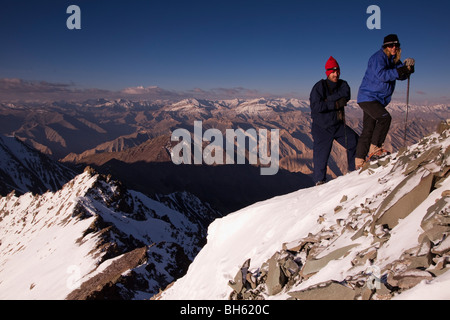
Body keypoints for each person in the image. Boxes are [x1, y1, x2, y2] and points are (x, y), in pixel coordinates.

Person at [355, 34, 415, 169]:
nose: (394, 47)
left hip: (374, 99)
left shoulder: (393, 59)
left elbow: (400, 75)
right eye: (391, 45)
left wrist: (408, 69)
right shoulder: (378, 58)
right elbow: (382, 75)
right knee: (385, 118)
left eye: (396, 45)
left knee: (368, 129)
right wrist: (401, 70)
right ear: (385, 46)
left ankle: (359, 162)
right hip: (369, 98)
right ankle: (375, 149)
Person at [309, 56, 359, 185]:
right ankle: (319, 181)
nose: (335, 74)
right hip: (322, 127)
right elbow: (316, 106)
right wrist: (336, 104)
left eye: (337, 71)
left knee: (354, 141)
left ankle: (353, 171)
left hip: (338, 125)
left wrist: (327, 100)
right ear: (327, 72)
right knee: (321, 156)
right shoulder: (319, 87)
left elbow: (346, 96)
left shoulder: (343, 84)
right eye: (332, 71)